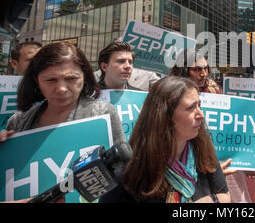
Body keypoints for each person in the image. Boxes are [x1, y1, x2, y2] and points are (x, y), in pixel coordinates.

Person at [99, 76, 230, 203]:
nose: (201, 114)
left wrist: (212, 200)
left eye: (199, 106)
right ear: (165, 116)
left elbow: (224, 194)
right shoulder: (131, 168)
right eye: (191, 108)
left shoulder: (203, 149)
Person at [0, 42, 125, 146]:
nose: (61, 88)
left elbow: (121, 167)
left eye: (72, 78)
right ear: (36, 81)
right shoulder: (18, 121)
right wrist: (1, 147)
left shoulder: (103, 113)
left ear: (85, 77)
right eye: (51, 80)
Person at [170, 49, 254, 203]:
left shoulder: (213, 88)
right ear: (184, 69)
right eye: (197, 69)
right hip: (189, 158)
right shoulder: (171, 93)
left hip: (220, 156)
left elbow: (229, 127)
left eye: (205, 68)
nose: (203, 73)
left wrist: (245, 161)